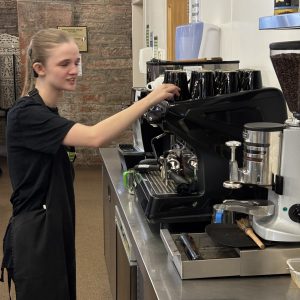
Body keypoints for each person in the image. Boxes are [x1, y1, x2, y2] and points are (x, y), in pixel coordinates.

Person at [0, 28, 180, 299]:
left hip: (53, 224)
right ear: (39, 68)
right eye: (64, 64)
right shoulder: (26, 114)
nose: (74, 70)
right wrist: (150, 99)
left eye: (76, 62)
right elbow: (95, 136)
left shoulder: (46, 110)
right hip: (36, 235)